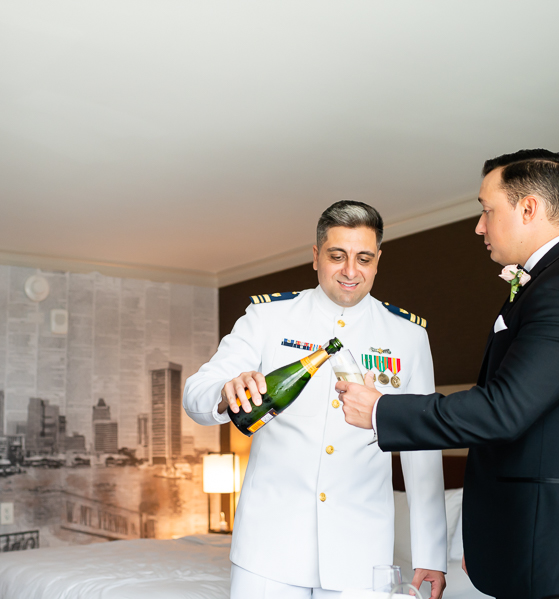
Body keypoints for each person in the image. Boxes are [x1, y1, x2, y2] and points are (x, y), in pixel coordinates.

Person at [337, 150, 559, 599]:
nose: (479, 226)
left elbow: (503, 409)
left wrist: (382, 410)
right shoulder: (551, 282)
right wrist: (489, 534)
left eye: (486, 210)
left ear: (528, 209)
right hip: (529, 535)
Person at [184, 201, 448, 598]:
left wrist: (431, 553)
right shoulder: (268, 317)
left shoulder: (408, 336)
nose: (350, 271)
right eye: (337, 256)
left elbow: (422, 448)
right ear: (316, 256)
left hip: (362, 552)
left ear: (377, 261)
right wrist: (226, 391)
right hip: (268, 549)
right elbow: (196, 392)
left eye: (364, 258)